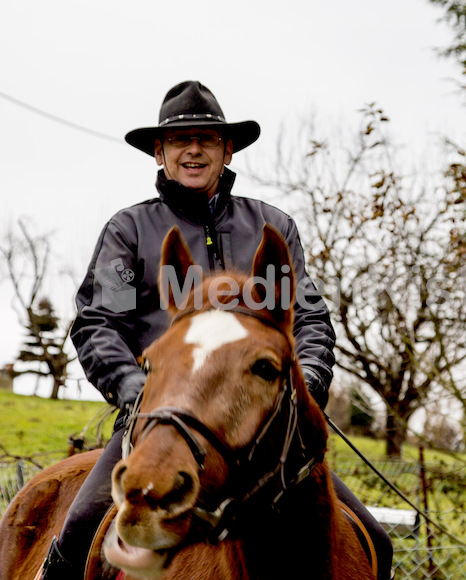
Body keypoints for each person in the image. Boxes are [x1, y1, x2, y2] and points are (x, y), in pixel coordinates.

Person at [39, 81, 393, 580]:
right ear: (159, 152)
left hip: (265, 430)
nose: (193, 150)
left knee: (375, 541)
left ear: (227, 150)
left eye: (207, 139)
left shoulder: (273, 227)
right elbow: (99, 322)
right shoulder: (130, 231)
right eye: (180, 141)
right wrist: (135, 389)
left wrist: (305, 380)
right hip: (160, 422)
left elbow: (309, 319)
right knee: (78, 531)